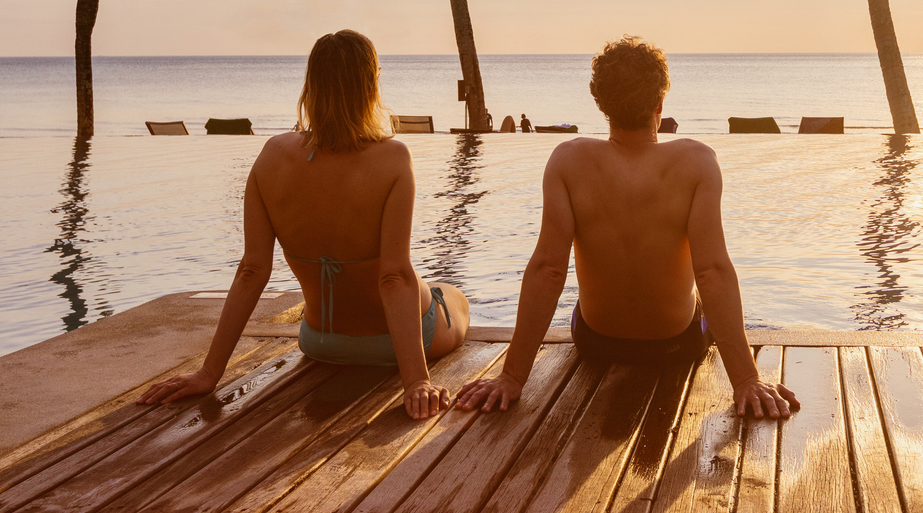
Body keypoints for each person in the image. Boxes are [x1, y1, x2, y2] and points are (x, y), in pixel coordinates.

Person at [455, 36, 799, 420]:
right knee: (698, 297)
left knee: (580, 301)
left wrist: (512, 376)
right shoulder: (697, 162)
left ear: (601, 103)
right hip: (675, 344)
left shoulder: (568, 160)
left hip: (596, 342)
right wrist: (747, 380)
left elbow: (548, 270)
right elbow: (712, 271)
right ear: (660, 102)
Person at [139, 30, 469, 418]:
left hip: (320, 342)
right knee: (452, 295)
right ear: (371, 84)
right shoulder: (393, 158)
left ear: (310, 85)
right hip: (392, 346)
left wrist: (210, 373)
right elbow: (393, 277)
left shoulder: (272, 155)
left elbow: (251, 270)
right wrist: (416, 381)